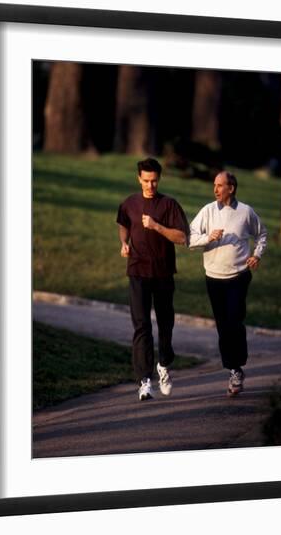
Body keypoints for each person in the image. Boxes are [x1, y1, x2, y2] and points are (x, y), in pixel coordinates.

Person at [116, 158, 189, 401]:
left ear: (160, 178)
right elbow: (124, 224)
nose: (150, 185)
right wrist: (124, 242)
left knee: (165, 324)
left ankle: (164, 364)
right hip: (137, 271)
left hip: (163, 273)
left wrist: (157, 226)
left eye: (154, 180)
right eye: (146, 180)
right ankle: (145, 381)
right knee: (141, 326)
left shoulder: (169, 205)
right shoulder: (129, 203)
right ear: (139, 179)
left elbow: (181, 238)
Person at [189, 171, 267, 396]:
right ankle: (234, 369)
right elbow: (190, 238)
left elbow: (261, 235)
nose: (215, 189)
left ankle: (237, 364)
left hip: (238, 277)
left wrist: (257, 255)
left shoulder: (246, 212)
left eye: (219, 185)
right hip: (213, 278)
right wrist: (208, 238)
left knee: (234, 321)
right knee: (223, 326)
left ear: (231, 188)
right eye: (214, 185)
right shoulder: (207, 211)